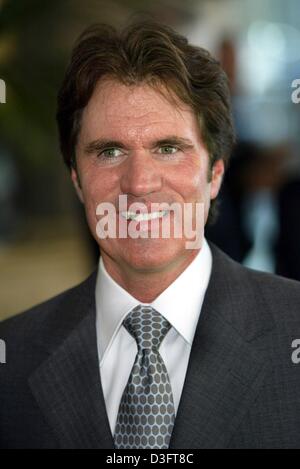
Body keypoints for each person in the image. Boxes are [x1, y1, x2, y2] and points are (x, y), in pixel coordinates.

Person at [1, 20, 300, 450]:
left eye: (167, 148)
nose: (139, 183)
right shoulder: (10, 357)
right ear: (77, 180)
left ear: (215, 173)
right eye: (110, 151)